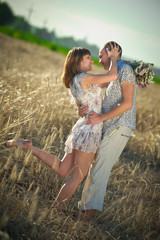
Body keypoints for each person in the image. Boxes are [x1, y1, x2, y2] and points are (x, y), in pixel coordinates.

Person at [7, 44, 121, 210]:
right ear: (78, 62)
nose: (92, 60)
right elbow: (112, 76)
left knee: (62, 169)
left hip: (83, 128)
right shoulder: (84, 78)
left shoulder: (77, 80)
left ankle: (29, 147)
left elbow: (105, 84)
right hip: (90, 130)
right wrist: (113, 57)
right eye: (87, 58)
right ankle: (54, 211)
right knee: (77, 177)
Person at [77, 41, 136, 221]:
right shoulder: (114, 73)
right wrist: (81, 109)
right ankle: (83, 213)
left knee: (99, 173)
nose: (98, 58)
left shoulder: (125, 70)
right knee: (94, 170)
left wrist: (100, 118)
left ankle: (84, 222)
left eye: (102, 54)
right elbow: (89, 91)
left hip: (119, 127)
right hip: (110, 127)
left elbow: (127, 103)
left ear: (111, 53)